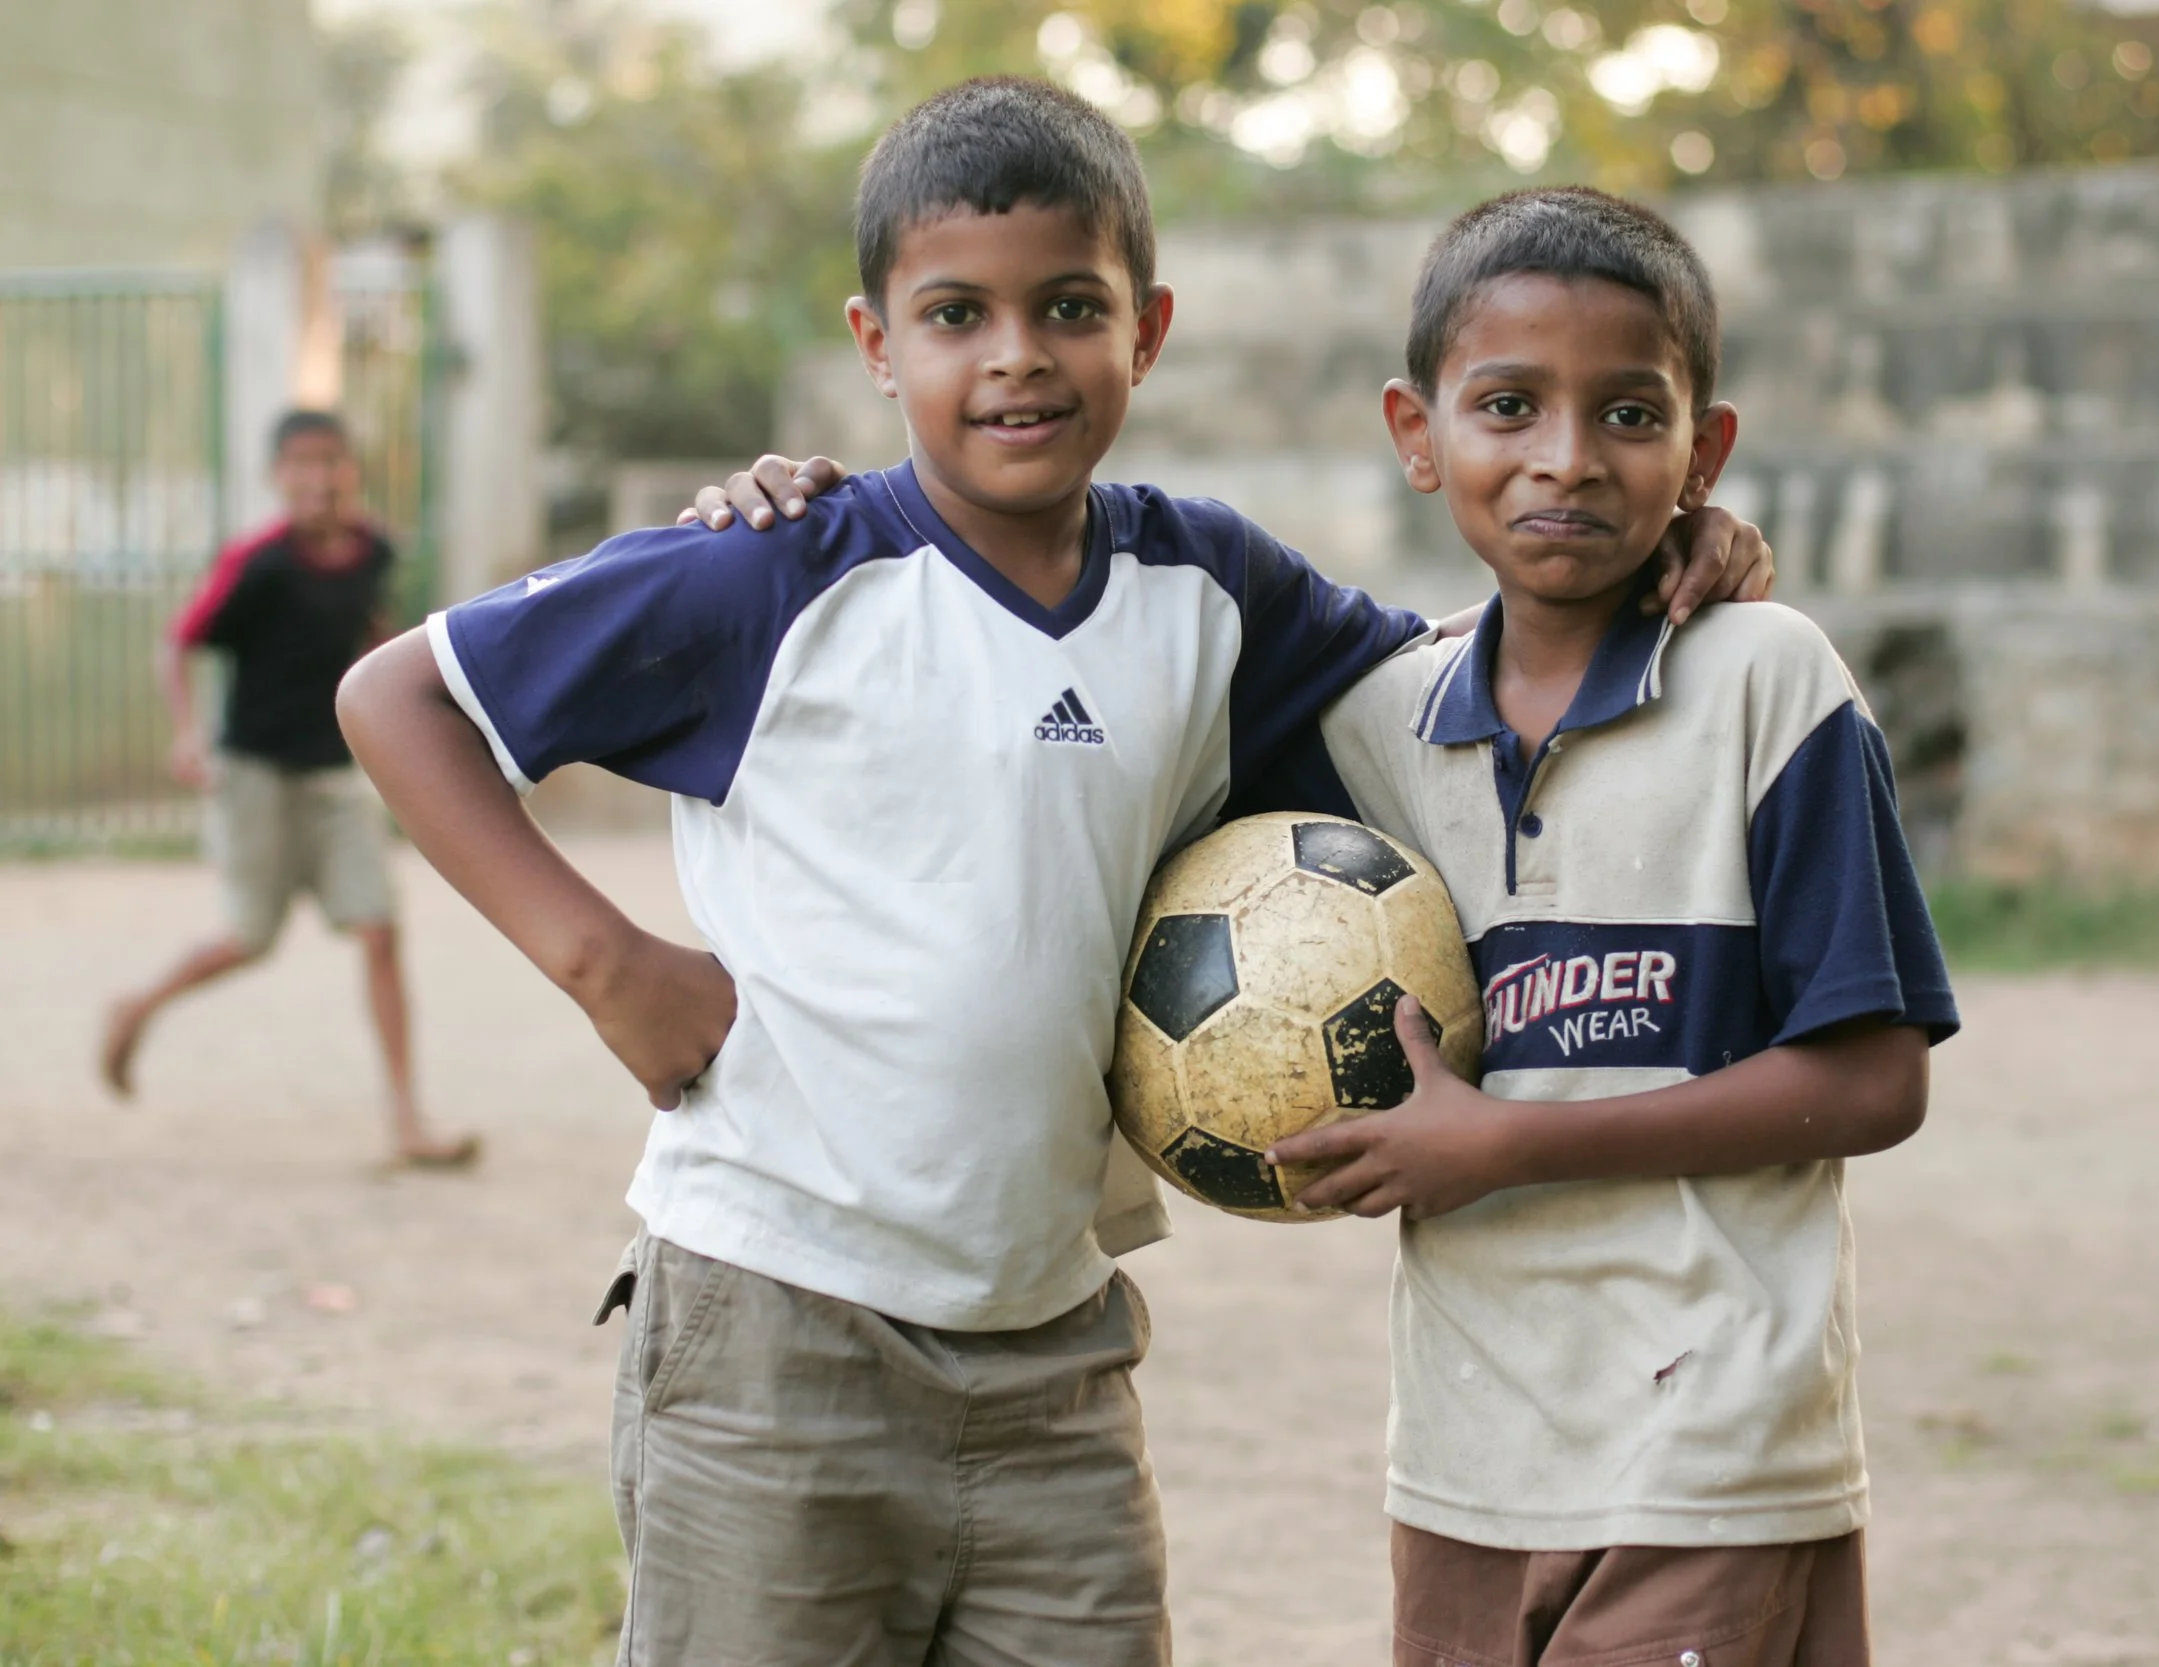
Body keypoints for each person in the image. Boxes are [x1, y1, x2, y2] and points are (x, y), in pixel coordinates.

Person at [341, 79, 1768, 1664]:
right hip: (773, 1320)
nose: (1016, 352)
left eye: (1068, 307)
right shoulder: (775, 573)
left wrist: (1669, 555)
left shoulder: (1209, 585)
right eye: (956, 312)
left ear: (1145, 330)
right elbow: (400, 695)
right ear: (878, 343)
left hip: (1053, 1353)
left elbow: (1462, 673)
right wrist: (610, 965)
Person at [1250, 188, 1961, 1666]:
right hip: (1465, 1450)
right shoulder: (1376, 722)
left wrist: (1510, 1142)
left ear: (1703, 453)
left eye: (1629, 414)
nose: (1566, 457)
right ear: (1416, 431)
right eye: (1508, 405)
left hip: (1714, 1442)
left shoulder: (1771, 678)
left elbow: (1880, 1077)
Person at [99, 408, 477, 1170]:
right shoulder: (257, 563)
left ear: (352, 471)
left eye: (332, 461)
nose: (319, 477)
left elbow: (374, 633)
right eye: (302, 463)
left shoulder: (373, 550)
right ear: (278, 477)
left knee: (378, 930)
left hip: (337, 772)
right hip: (255, 772)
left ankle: (407, 1120)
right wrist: (186, 732)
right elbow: (181, 640)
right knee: (249, 939)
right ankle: (136, 1005)